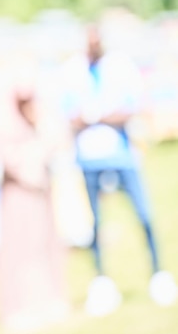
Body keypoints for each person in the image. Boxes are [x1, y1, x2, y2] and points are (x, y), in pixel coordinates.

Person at [61, 23, 177, 316]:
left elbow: (132, 106)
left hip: (122, 154)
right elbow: (70, 115)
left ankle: (158, 274)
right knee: (95, 224)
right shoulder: (71, 70)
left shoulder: (119, 66)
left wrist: (97, 116)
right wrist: (96, 116)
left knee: (144, 216)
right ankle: (102, 281)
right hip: (89, 158)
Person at [0, 71, 69, 332]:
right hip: (17, 197)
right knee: (18, 252)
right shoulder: (6, 123)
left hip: (40, 196)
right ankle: (19, 309)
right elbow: (12, 161)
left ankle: (48, 300)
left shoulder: (40, 119)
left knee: (45, 246)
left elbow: (57, 143)